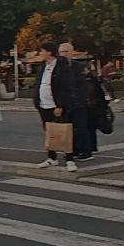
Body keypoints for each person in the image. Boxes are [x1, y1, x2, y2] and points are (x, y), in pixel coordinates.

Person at [33, 41, 77, 171]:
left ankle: (69, 158)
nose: (41, 54)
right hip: (43, 104)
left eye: (42, 51)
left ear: (49, 52)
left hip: (56, 105)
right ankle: (51, 157)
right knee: (50, 132)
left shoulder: (61, 66)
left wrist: (60, 105)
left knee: (63, 131)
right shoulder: (42, 66)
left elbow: (65, 87)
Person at [59, 43, 93, 162]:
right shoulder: (58, 67)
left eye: (66, 51)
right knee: (68, 129)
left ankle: (85, 151)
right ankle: (71, 151)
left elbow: (84, 84)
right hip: (65, 104)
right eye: (62, 52)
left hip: (79, 103)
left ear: (72, 53)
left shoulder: (79, 66)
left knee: (81, 128)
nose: (64, 54)